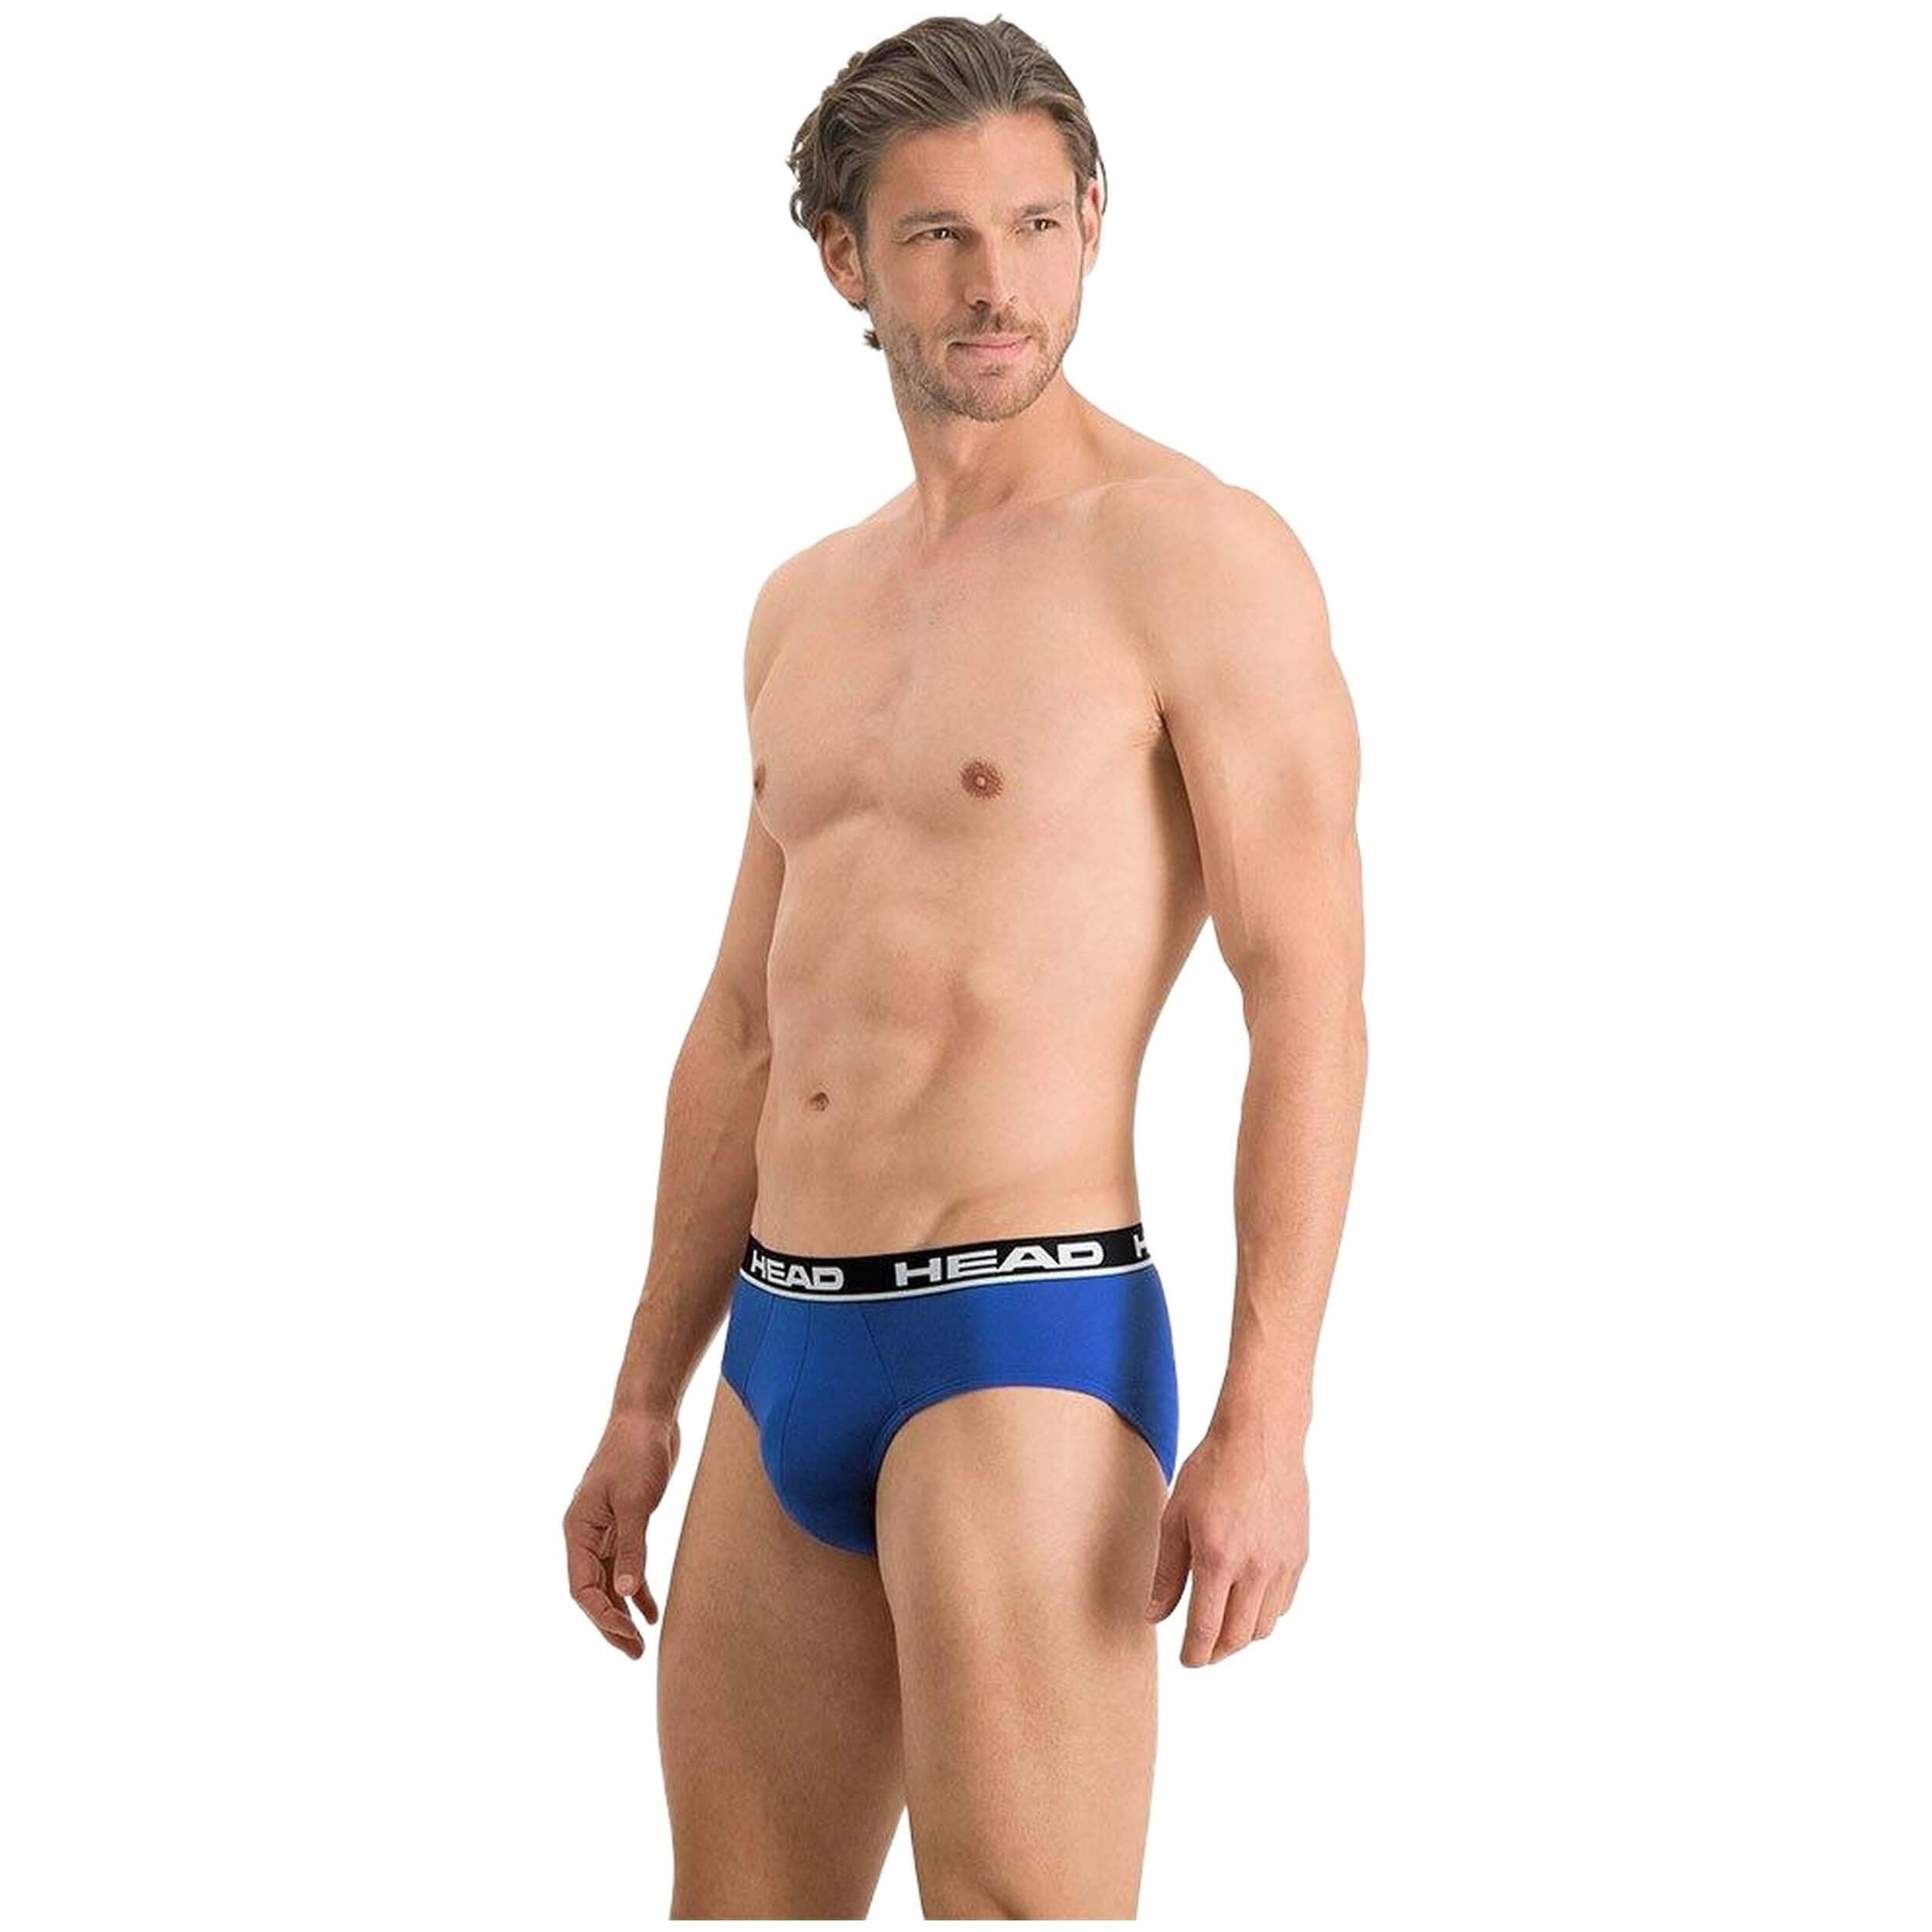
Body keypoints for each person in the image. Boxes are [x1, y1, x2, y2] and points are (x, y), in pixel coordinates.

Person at [563, 15, 1366, 1919]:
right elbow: (744, 1024)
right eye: (935, 236)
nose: (995, 282)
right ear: (842, 259)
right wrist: (644, 1389)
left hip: (1021, 1331)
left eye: (1032, 224)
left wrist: (1267, 1415)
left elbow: (1305, 996)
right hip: (778, 1343)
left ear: (1092, 222)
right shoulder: (804, 603)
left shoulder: (1191, 555)